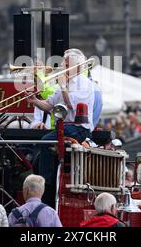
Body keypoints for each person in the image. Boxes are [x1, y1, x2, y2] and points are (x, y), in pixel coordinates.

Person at [26, 49, 95, 204]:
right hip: (64, 127)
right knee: (43, 145)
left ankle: (46, 185)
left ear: (77, 67)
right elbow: (49, 105)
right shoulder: (63, 84)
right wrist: (35, 101)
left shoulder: (85, 84)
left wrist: (63, 86)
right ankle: (46, 178)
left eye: (66, 63)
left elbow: (72, 105)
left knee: (46, 142)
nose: (62, 66)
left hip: (79, 128)